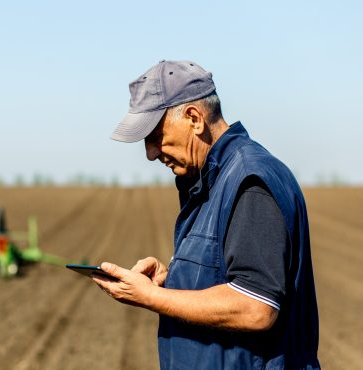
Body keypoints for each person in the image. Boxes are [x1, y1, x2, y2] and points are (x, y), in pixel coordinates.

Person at [93, 60, 320, 369]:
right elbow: (224, 274)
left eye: (154, 135)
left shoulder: (248, 180)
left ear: (194, 118)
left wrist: (151, 297)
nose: (150, 153)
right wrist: (172, 279)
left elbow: (256, 307)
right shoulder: (211, 181)